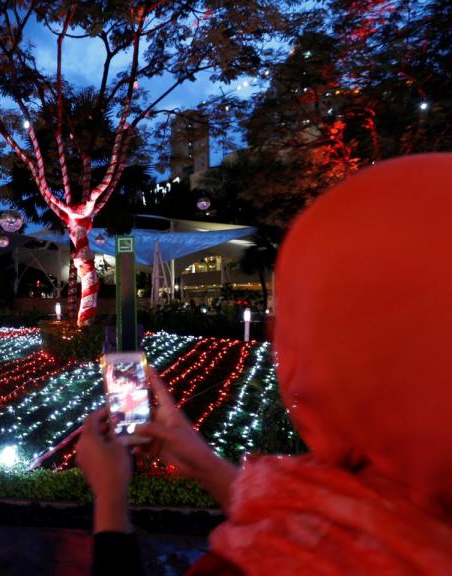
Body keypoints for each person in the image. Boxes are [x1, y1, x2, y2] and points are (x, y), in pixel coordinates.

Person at [78, 154, 452, 574]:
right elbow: (302, 518)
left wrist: (110, 500)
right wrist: (204, 464)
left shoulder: (276, 561)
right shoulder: (381, 508)